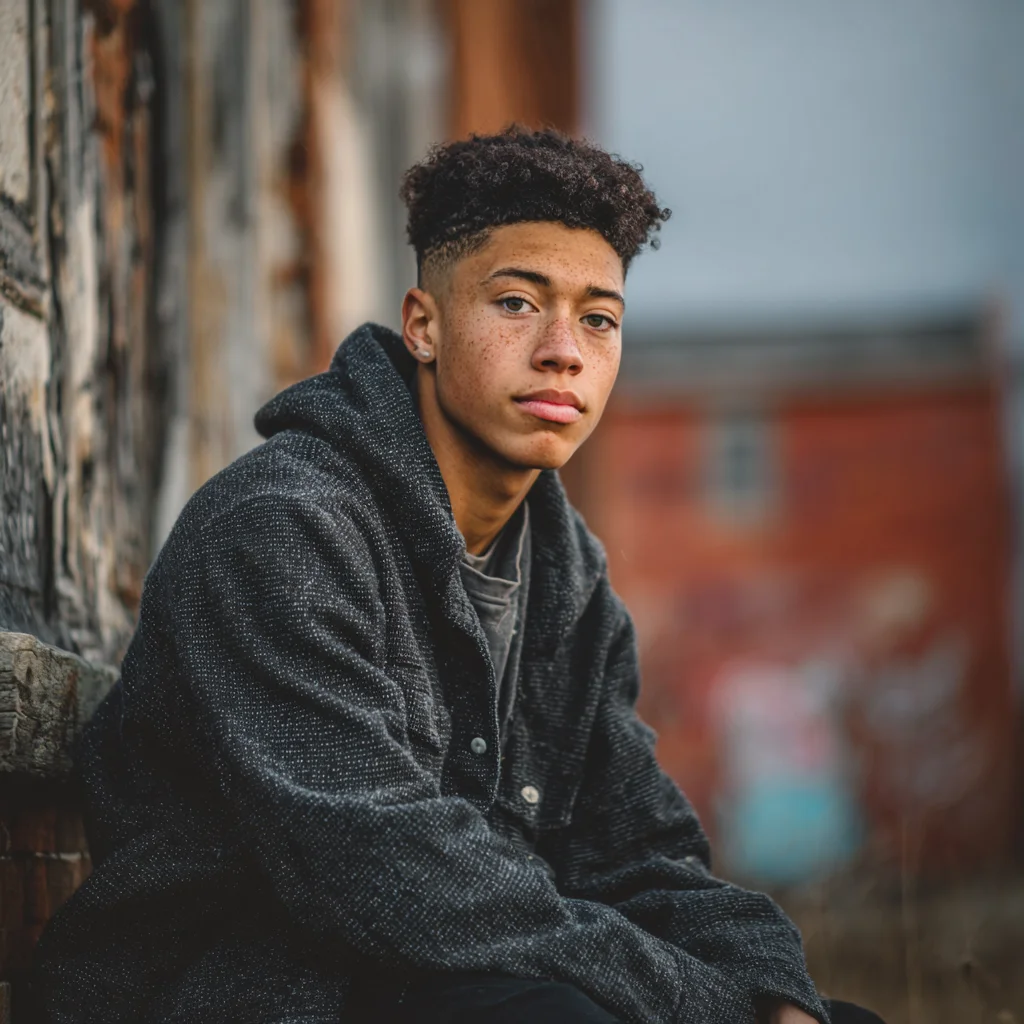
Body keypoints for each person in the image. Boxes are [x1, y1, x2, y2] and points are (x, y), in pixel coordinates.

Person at [31, 126, 885, 1024]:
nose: (563, 350)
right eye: (517, 303)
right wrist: (709, 1007)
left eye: (599, 319)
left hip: (456, 981)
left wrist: (773, 992)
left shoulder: (568, 583)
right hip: (245, 994)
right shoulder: (281, 531)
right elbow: (380, 871)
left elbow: (642, 852)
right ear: (424, 326)